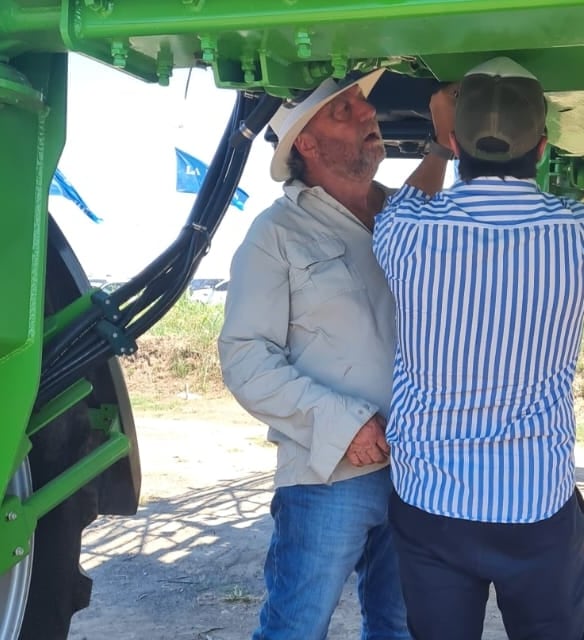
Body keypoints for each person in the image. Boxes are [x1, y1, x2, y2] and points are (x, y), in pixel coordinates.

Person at [218, 68, 453, 640]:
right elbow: (245, 357)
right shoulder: (276, 234)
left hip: (418, 469)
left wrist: (445, 149)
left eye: (362, 105)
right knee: (296, 628)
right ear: (306, 142)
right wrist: (343, 423)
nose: (369, 114)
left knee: (401, 626)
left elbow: (427, 202)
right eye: (344, 110)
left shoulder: (405, 217)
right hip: (329, 472)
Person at [372, 57, 584, 640]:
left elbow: (407, 201)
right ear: (543, 148)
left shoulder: (406, 232)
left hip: (432, 501)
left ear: (453, 141)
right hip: (536, 502)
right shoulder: (577, 233)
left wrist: (438, 149)